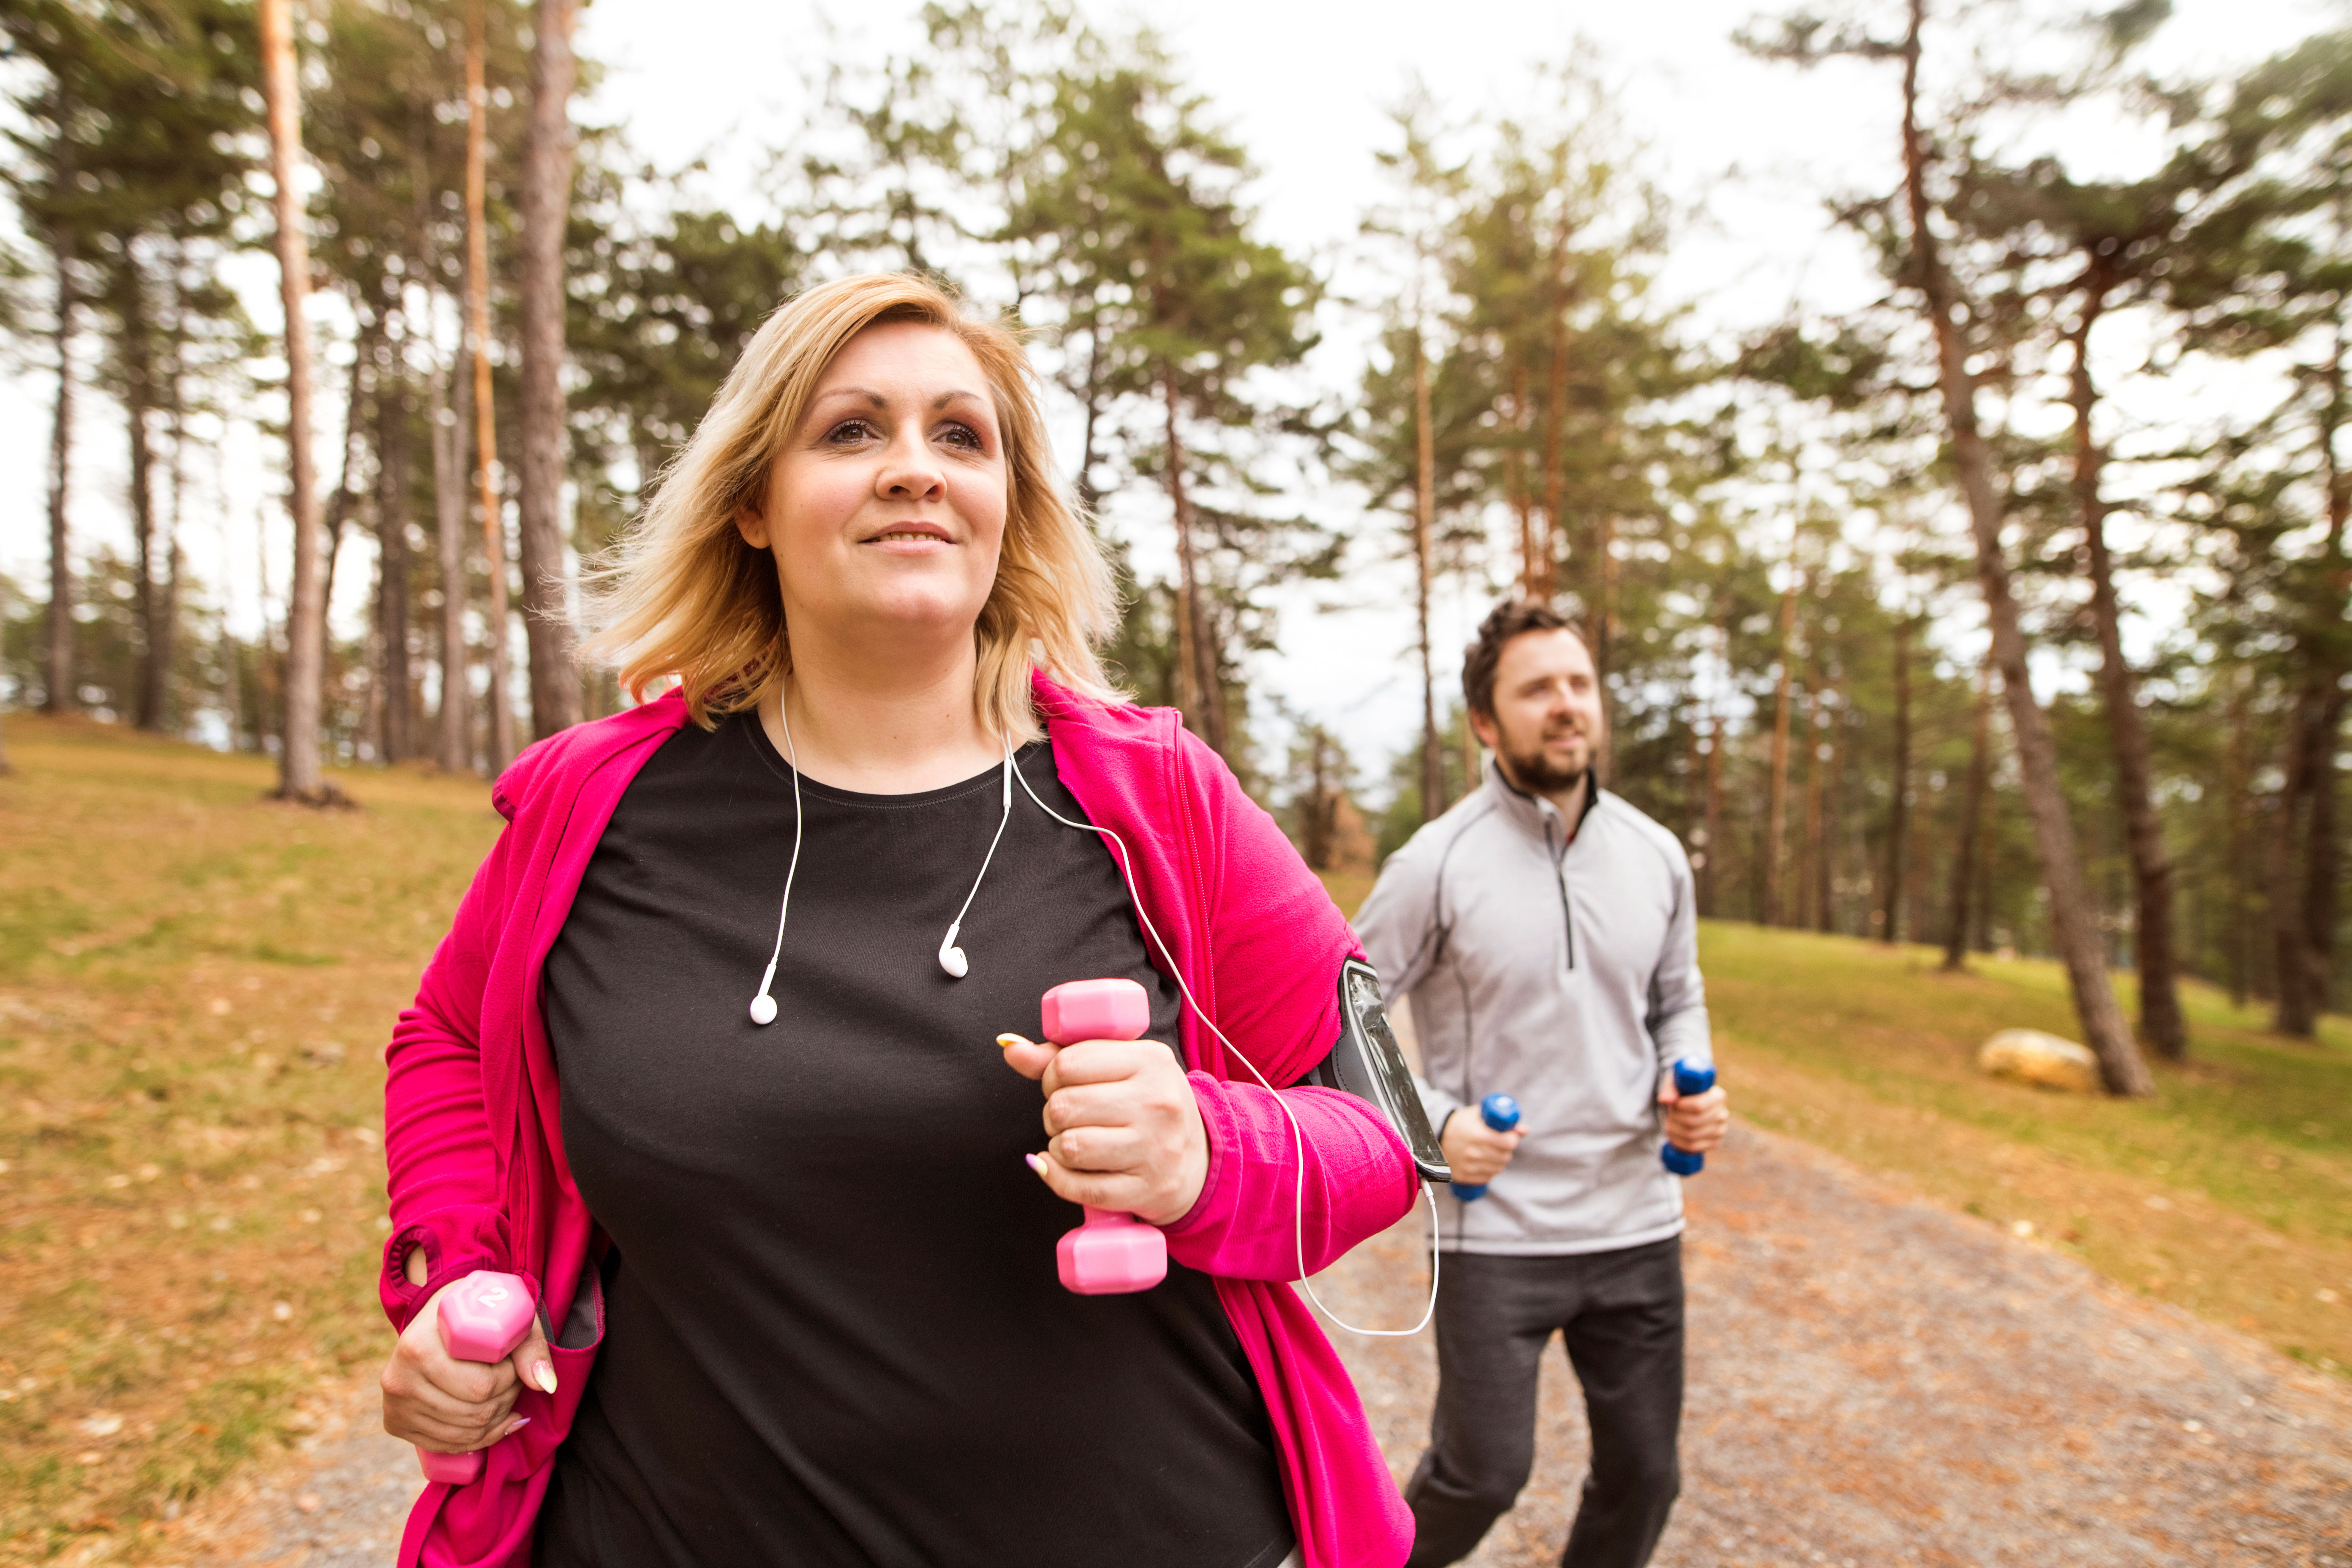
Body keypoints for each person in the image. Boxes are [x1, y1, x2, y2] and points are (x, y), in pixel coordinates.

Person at [375, 273, 1424, 1568]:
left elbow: (1380, 1140)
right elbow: (443, 1038)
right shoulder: (594, 807)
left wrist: (1211, 1152)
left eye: (961, 437)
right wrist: (457, 1284)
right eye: (852, 430)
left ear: (1006, 511)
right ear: (751, 503)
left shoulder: (1158, 799)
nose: (915, 470)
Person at [1353, 599, 1730, 1568]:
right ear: (1486, 721)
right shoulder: (1435, 863)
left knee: (1647, 1475)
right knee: (1482, 1475)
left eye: (1578, 683)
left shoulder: (1655, 854)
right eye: (1537, 689)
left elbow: (1678, 995)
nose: (1566, 705)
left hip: (1638, 1219)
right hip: (1497, 1230)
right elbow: (1343, 1018)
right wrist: (1435, 1123)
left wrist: (1694, 1081)